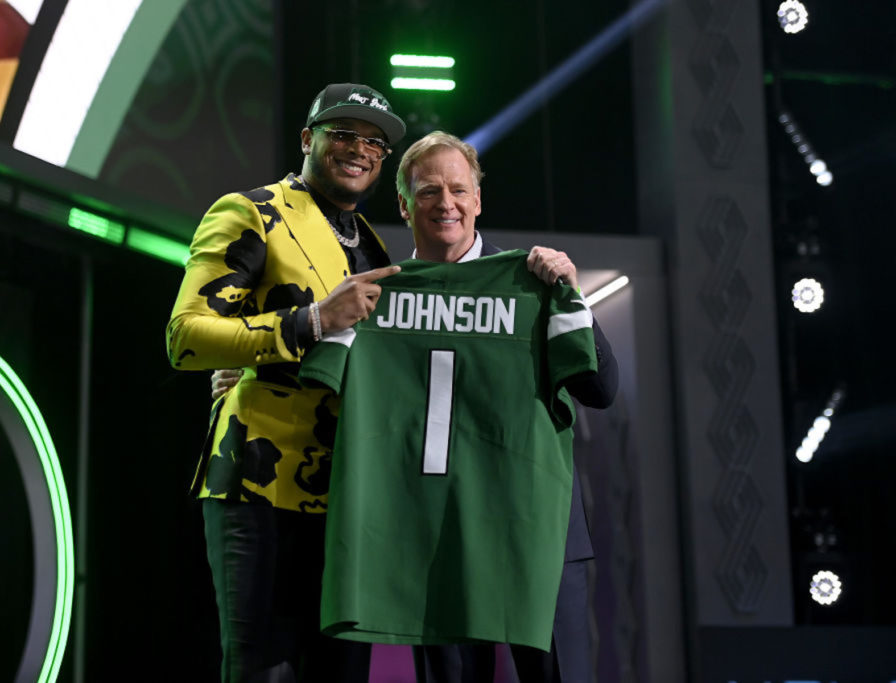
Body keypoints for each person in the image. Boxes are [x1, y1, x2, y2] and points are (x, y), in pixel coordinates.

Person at [166, 82, 407, 682]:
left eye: (374, 142)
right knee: (261, 671)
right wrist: (309, 322)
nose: (360, 149)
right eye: (343, 133)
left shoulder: (371, 243)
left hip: (348, 496)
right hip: (259, 481)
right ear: (307, 139)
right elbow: (186, 336)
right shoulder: (251, 211)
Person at [395, 132, 618, 683]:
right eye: (428, 192)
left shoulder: (533, 283)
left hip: (539, 534)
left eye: (458, 189)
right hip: (438, 541)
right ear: (403, 205)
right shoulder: (382, 298)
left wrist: (571, 293)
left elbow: (601, 389)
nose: (445, 203)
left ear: (477, 200)